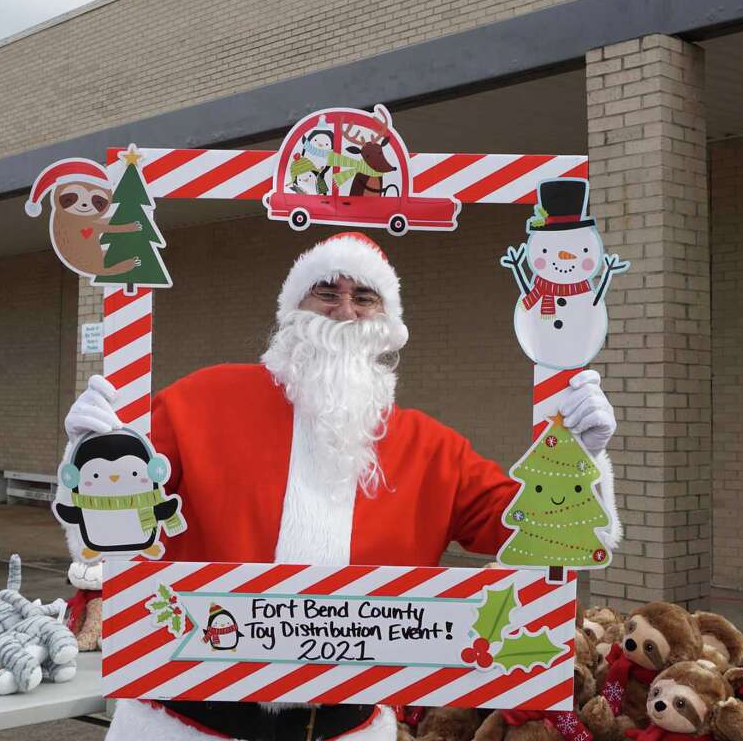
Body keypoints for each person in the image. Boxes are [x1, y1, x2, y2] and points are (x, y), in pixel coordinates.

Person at [64, 232, 619, 741]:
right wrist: (92, 454)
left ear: (388, 319)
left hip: (350, 729)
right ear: (293, 310)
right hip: (186, 725)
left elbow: (526, 527)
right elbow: (113, 523)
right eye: (326, 292)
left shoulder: (431, 447)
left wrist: (580, 459)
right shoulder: (198, 402)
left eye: (366, 297)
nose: (346, 310)